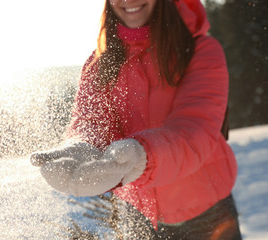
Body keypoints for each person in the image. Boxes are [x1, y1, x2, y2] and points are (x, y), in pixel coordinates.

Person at [29, 0, 242, 239]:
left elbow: (194, 130)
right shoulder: (99, 62)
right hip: (137, 216)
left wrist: (141, 156)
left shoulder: (199, 50)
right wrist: (84, 145)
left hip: (206, 214)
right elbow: (93, 122)